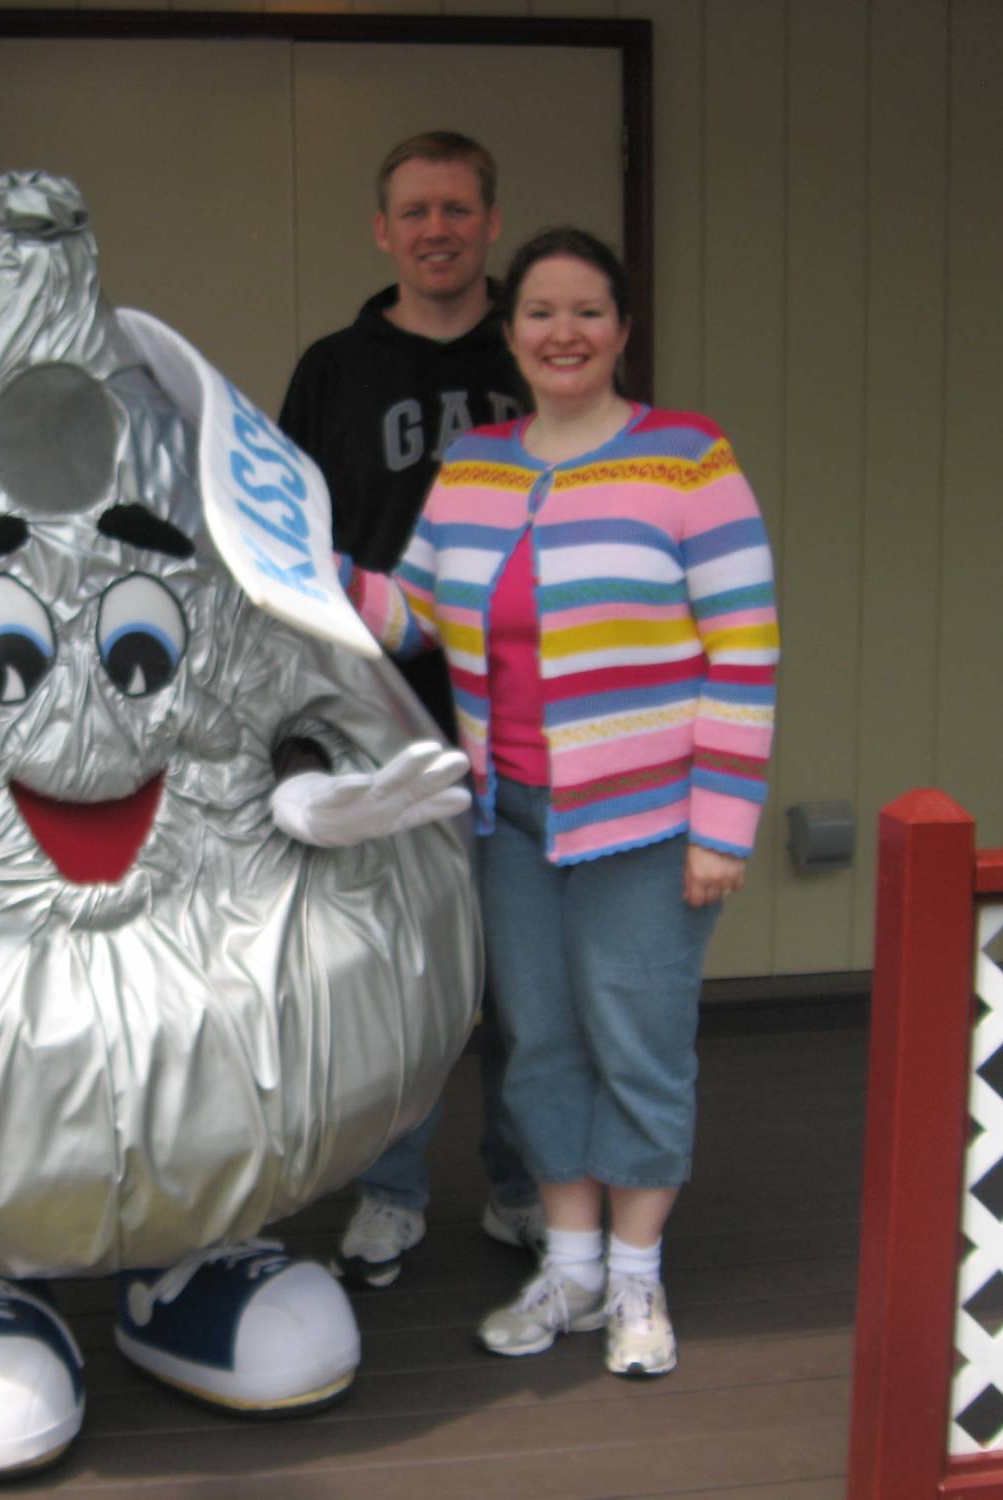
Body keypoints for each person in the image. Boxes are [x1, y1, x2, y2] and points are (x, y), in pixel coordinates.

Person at [341, 226, 778, 1377]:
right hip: (514, 817)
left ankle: (636, 1285)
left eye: (587, 312)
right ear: (511, 331)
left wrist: (719, 826)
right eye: (540, 312)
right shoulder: (476, 466)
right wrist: (298, 565)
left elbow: (743, 647)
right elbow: (411, 617)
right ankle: (570, 1269)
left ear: (621, 332)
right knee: (535, 1047)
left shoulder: (686, 458)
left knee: (636, 1048)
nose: (562, 333)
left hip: (650, 823)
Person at [278, 130, 540, 1289]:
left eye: (456, 207)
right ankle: (389, 1191)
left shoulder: (539, 351)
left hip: (529, 709)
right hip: (381, 711)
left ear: (489, 221)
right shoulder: (331, 369)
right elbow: (287, 548)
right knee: (400, 971)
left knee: (522, 970)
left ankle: (522, 1183)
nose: (437, 228)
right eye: (414, 211)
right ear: (382, 231)